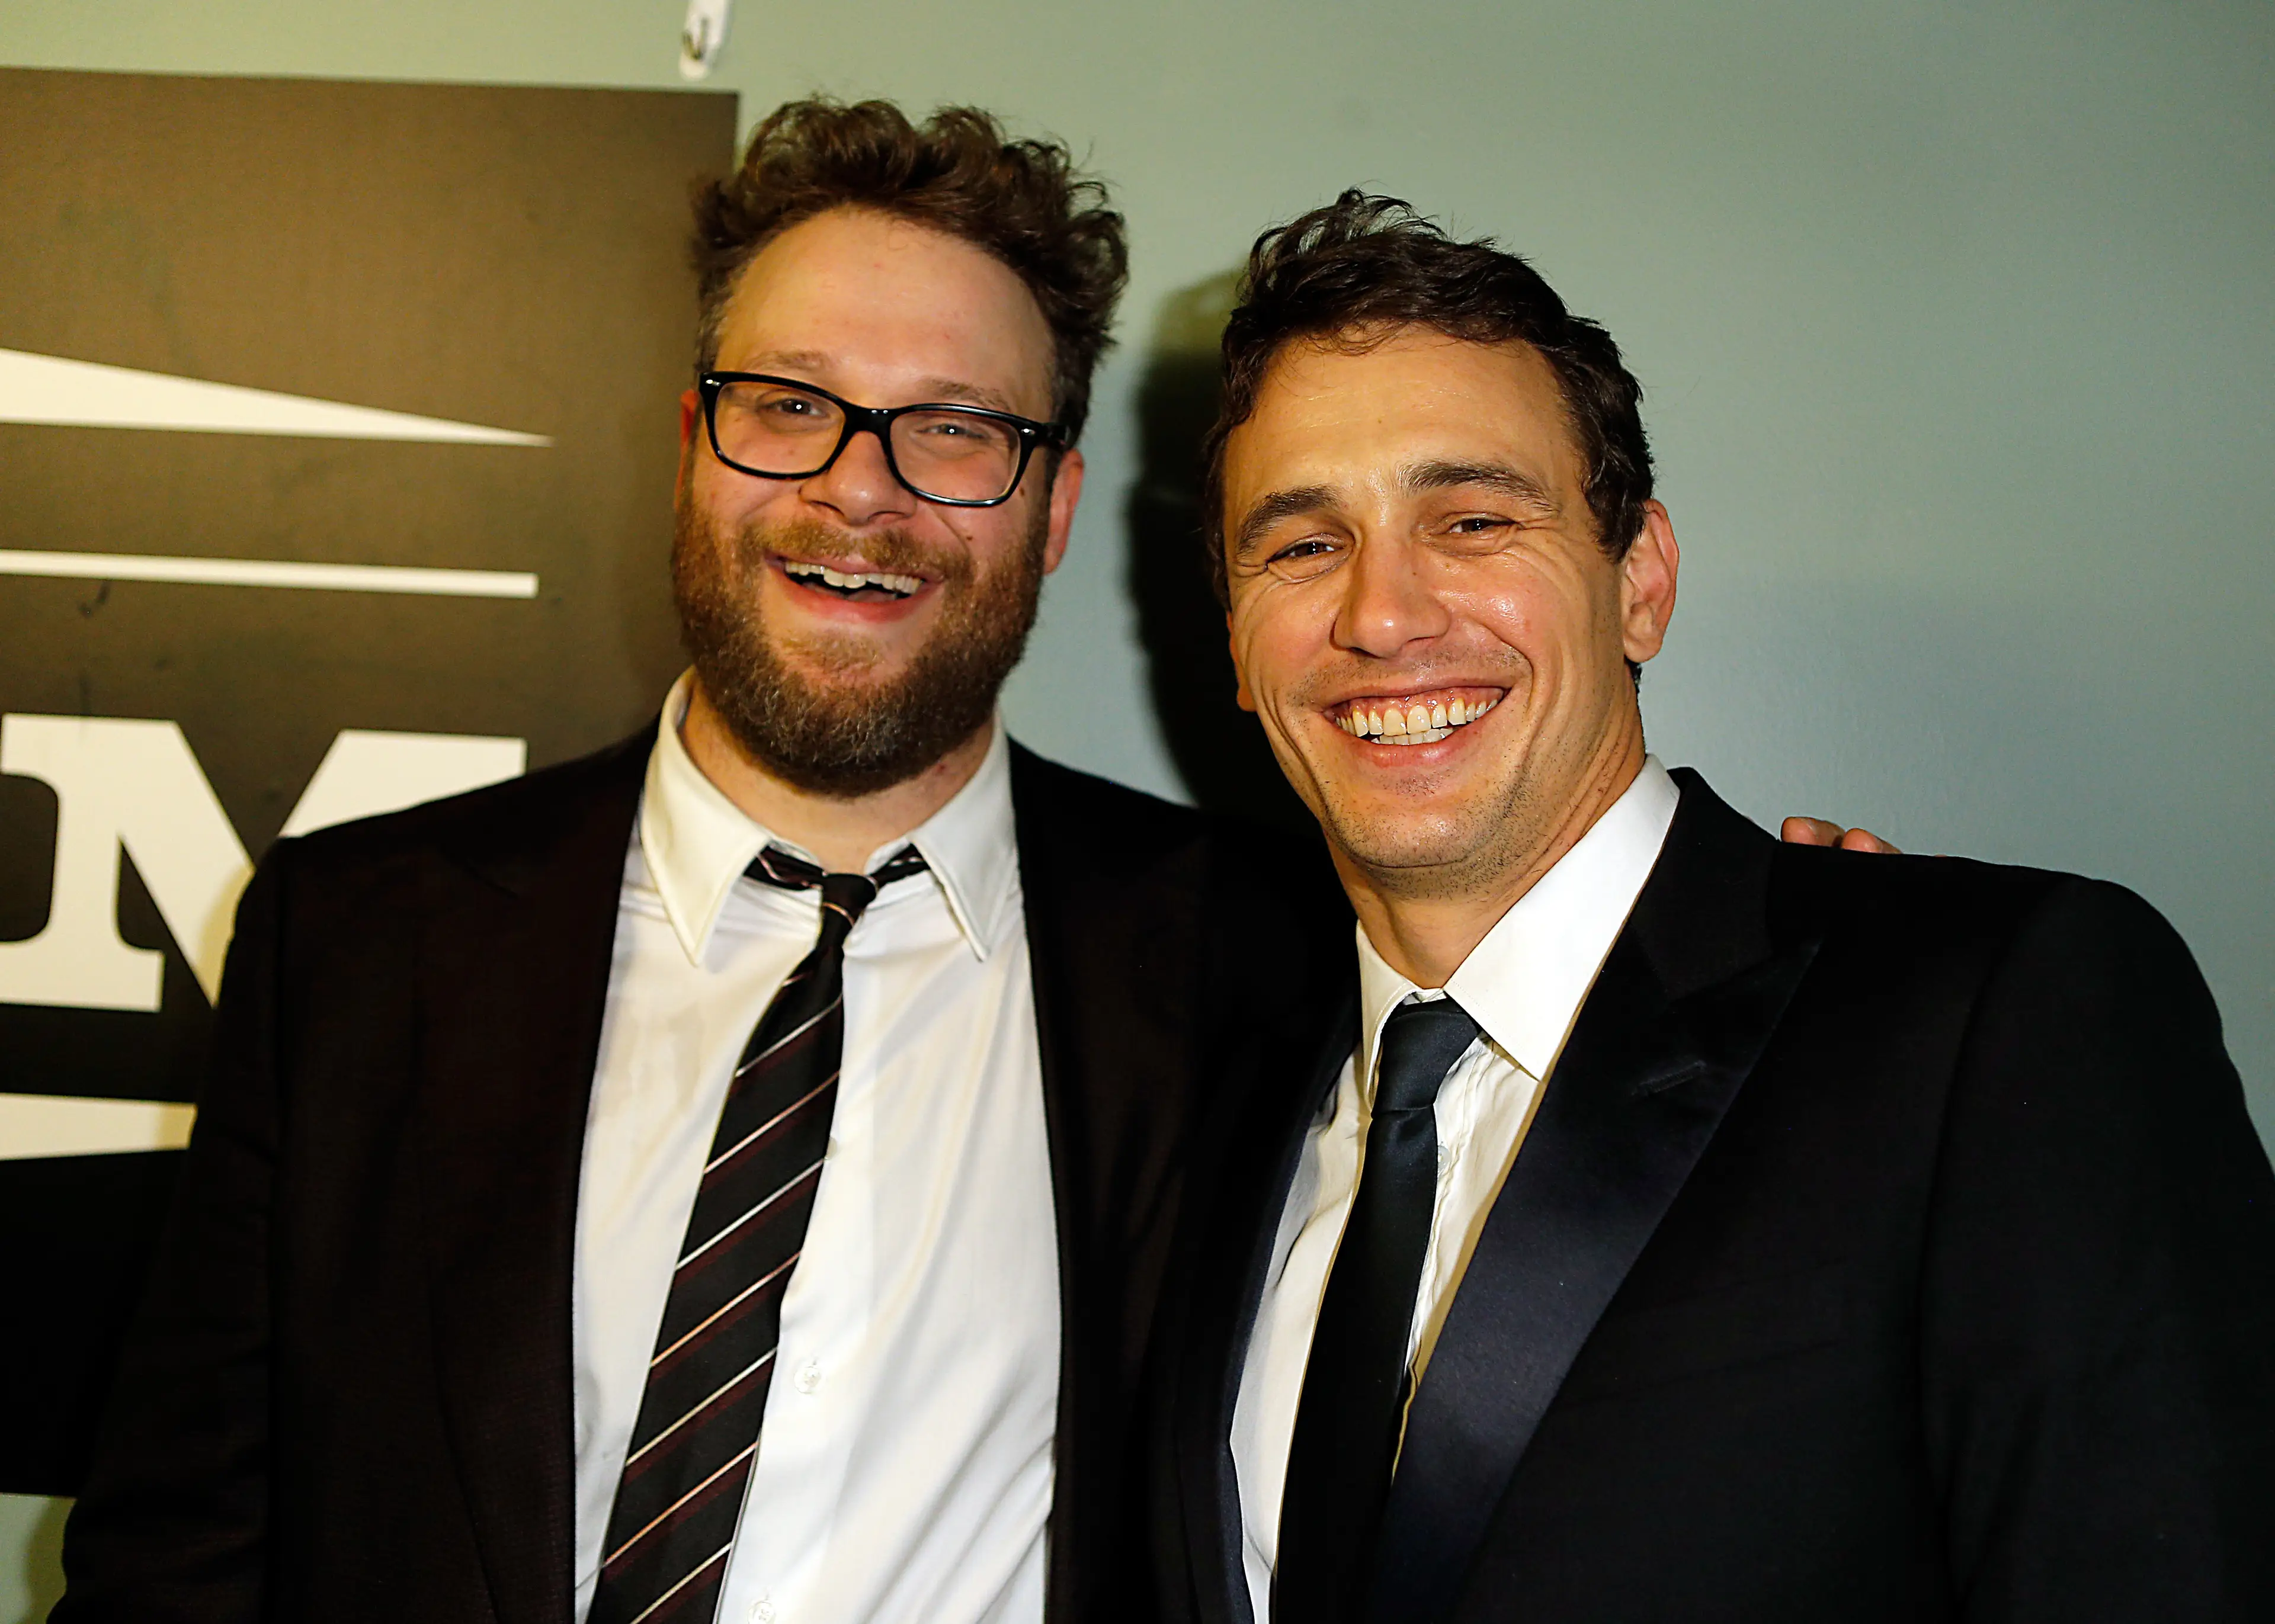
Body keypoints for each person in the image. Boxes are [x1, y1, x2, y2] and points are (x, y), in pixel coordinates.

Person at [52, 100, 1353, 1624]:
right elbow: (174, 1566)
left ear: (1053, 509)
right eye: (791, 404)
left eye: (956, 428)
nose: (860, 490)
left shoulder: (1260, 964)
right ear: (692, 447)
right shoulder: (355, 942)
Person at [1151, 192, 2275, 1624]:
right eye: (1301, 546)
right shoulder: (1214, 1121)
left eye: (1475, 518)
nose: (1383, 613)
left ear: (1640, 582)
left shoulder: (1990, 1022)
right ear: (1239, 647)